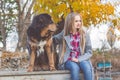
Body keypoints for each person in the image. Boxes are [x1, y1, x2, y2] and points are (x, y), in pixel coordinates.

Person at [53, 12, 94, 80]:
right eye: (76, 21)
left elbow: (89, 52)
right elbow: (53, 40)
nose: (79, 23)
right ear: (70, 22)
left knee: (87, 67)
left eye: (80, 21)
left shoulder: (85, 34)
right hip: (68, 60)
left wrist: (78, 59)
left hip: (81, 59)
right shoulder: (64, 34)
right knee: (74, 68)